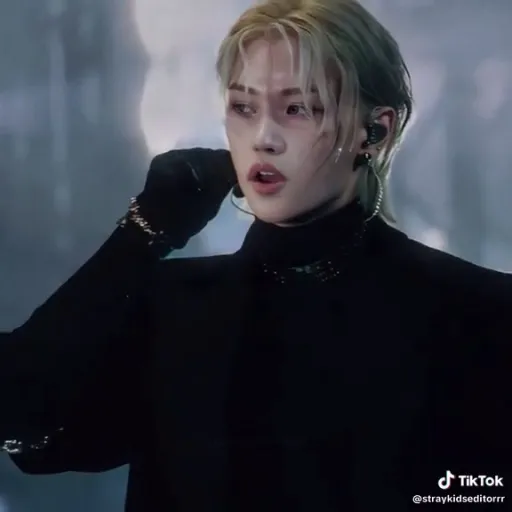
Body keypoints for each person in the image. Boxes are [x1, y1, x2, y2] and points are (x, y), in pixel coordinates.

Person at [1, 0, 511, 510]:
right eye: (243, 108)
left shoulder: (477, 314)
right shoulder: (175, 309)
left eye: (297, 109)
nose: (263, 138)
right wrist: (142, 233)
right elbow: (17, 408)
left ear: (375, 130)